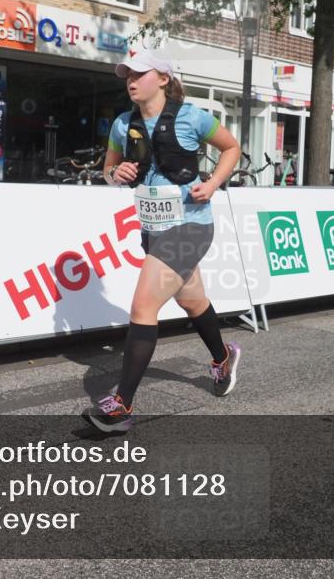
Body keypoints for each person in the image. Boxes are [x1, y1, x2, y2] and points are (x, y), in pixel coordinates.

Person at [85, 49, 242, 433]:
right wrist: (114, 173)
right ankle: (223, 357)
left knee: (143, 304)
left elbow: (232, 147)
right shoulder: (123, 124)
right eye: (126, 75)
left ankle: (122, 406)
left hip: (192, 226)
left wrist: (214, 182)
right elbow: (108, 169)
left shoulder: (193, 117)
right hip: (154, 227)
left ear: (163, 79)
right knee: (192, 301)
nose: (130, 80)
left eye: (139, 73)